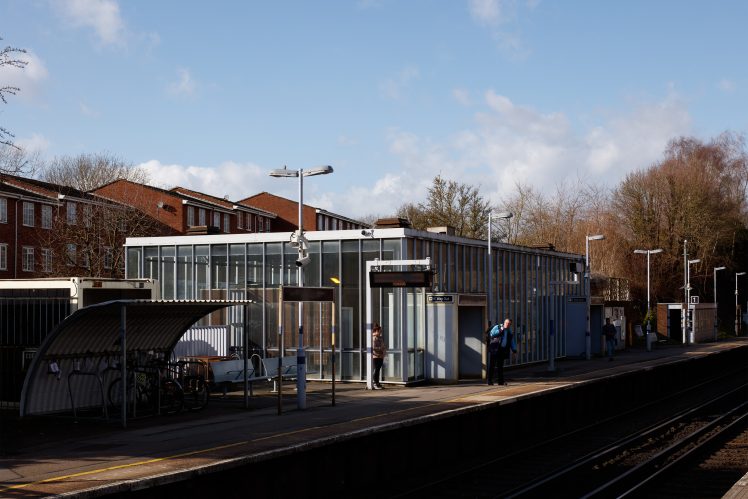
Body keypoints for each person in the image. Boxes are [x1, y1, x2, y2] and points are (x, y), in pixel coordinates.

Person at [487, 318, 516, 385]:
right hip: (495, 349)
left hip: (502, 350)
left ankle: (500, 381)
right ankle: (489, 381)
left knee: (500, 366)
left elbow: (511, 341)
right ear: (504, 322)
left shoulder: (509, 331)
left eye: (509, 324)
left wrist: (514, 350)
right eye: (506, 323)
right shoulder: (497, 327)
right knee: (492, 365)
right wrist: (500, 330)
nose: (507, 325)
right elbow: (492, 334)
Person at [372, 322, 386, 389]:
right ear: (376, 331)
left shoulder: (380, 338)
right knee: (376, 369)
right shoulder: (374, 338)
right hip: (376, 356)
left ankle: (377, 383)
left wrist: (384, 352)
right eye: (380, 331)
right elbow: (373, 347)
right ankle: (375, 383)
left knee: (378, 369)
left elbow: (383, 346)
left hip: (380, 356)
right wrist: (381, 349)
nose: (380, 332)